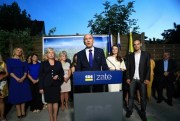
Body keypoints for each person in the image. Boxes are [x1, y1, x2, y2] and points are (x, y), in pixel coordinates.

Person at [126, 39, 150, 121]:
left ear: (141, 44)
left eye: (138, 44)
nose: (136, 46)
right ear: (133, 46)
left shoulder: (146, 54)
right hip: (132, 79)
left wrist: (147, 78)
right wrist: (128, 77)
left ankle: (143, 112)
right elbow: (128, 68)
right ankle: (129, 110)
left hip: (142, 79)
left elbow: (148, 68)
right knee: (131, 96)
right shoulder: (130, 55)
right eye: (134, 44)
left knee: (143, 97)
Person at [39, 48, 64, 121]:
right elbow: (41, 76)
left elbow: (62, 73)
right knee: (49, 102)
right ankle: (51, 117)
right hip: (47, 85)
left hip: (56, 85)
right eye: (49, 52)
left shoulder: (58, 63)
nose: (51, 54)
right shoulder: (43, 63)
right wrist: (41, 87)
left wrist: (58, 76)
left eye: (52, 52)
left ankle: (55, 117)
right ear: (46, 54)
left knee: (56, 101)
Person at [6, 47, 32, 119]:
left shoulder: (23, 61)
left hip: (24, 80)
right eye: (18, 50)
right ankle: (18, 112)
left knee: (23, 95)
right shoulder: (9, 60)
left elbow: (26, 70)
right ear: (14, 51)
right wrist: (16, 78)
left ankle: (23, 111)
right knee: (16, 96)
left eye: (20, 51)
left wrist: (23, 77)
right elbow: (10, 71)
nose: (19, 51)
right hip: (14, 81)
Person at [0, 54, 8, 121]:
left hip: (2, 84)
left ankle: (2, 117)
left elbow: (7, 73)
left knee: (1, 101)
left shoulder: (3, 63)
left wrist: (3, 76)